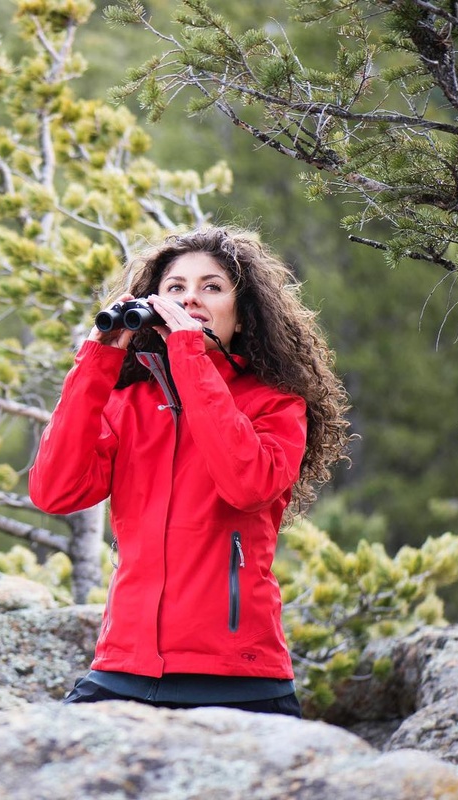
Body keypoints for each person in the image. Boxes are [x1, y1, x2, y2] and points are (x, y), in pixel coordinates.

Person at [29, 227, 351, 717]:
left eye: (211, 287)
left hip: (236, 674)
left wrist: (189, 356)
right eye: (175, 288)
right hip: (124, 666)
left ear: (243, 316)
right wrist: (98, 360)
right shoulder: (130, 403)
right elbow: (55, 492)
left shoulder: (277, 403)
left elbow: (248, 486)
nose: (190, 299)